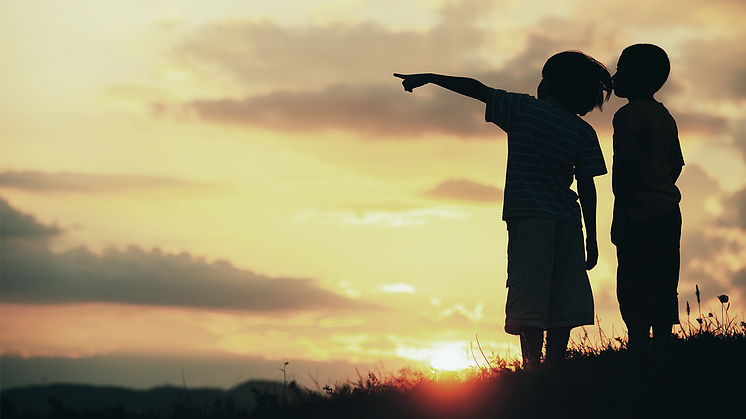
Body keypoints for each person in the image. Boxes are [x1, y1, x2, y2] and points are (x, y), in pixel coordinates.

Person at [395, 50, 611, 367]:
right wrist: (592, 238)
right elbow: (587, 187)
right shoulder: (583, 131)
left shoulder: (523, 109)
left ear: (552, 84)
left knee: (531, 294)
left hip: (531, 220)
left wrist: (430, 77)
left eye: (543, 78)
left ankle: (532, 367)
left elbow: (476, 88)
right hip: (568, 221)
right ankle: (555, 365)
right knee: (563, 297)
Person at [610, 44, 684, 349]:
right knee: (666, 278)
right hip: (669, 209)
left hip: (640, 214)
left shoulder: (628, 116)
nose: (615, 76)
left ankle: (639, 345)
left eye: (620, 69)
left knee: (635, 281)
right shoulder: (664, 115)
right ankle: (664, 342)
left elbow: (625, 171)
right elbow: (676, 163)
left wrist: (619, 217)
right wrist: (660, 186)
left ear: (635, 73)